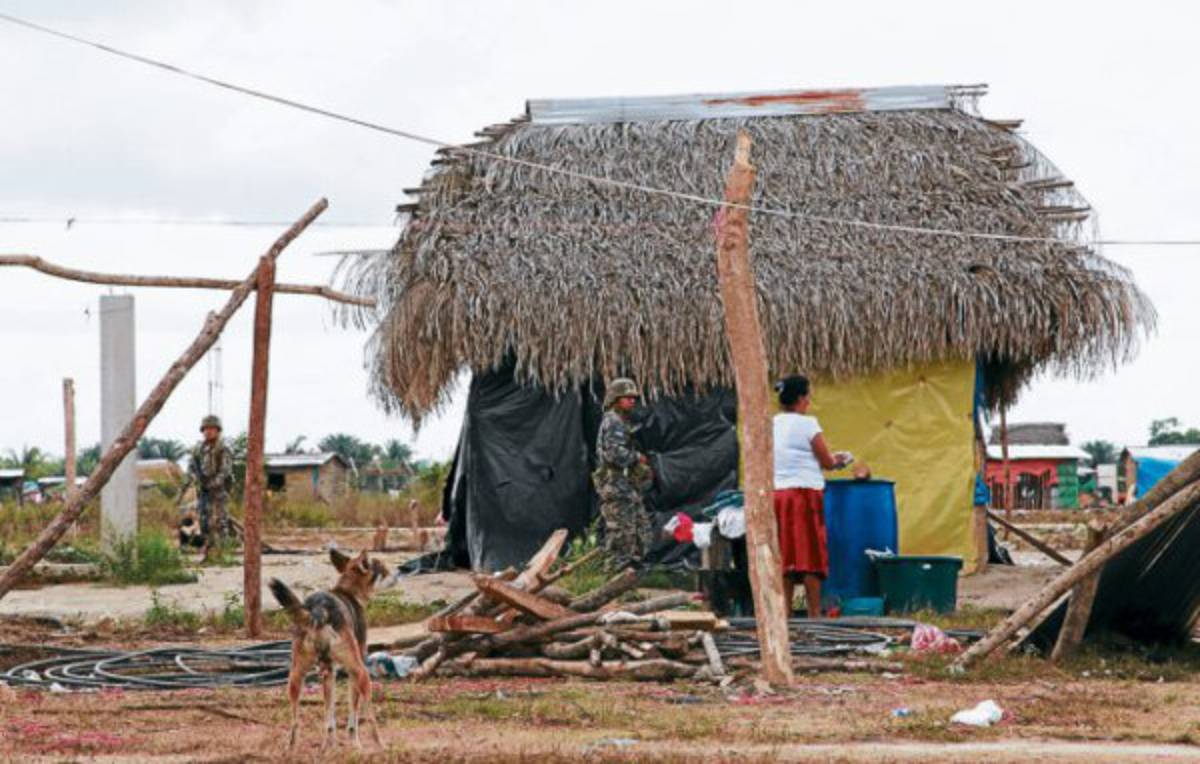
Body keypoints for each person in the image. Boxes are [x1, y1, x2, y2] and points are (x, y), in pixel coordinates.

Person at [772, 375, 850, 616]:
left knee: (784, 556)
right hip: (804, 495)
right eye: (807, 396)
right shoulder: (808, 425)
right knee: (810, 555)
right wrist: (841, 460)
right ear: (800, 398)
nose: (809, 401)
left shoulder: (772, 423)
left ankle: (783, 614)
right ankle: (814, 614)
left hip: (779, 495)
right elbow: (826, 461)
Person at [594, 378, 655, 570]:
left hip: (625, 485)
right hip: (616, 484)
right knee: (621, 535)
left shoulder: (620, 421)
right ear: (615, 398)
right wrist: (637, 457)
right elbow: (614, 453)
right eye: (627, 397)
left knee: (638, 530)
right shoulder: (613, 420)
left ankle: (629, 576)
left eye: (633, 397)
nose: (632, 400)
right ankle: (613, 578)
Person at [183, 414, 235, 557]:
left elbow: (225, 471)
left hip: (219, 491)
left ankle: (223, 552)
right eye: (206, 429)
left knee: (220, 522)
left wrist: (213, 484)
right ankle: (210, 550)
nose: (208, 431)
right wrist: (194, 479)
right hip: (203, 490)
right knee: (204, 521)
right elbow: (191, 468)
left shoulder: (223, 448)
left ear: (218, 430)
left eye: (212, 429)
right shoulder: (199, 449)